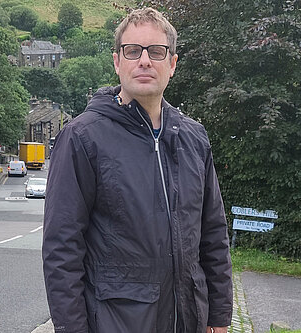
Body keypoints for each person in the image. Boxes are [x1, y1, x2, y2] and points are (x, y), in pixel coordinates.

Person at [42, 7, 232, 333]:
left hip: (188, 319)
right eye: (133, 51)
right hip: (116, 323)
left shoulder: (194, 139)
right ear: (118, 62)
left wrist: (218, 317)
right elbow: (62, 250)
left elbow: (213, 235)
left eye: (156, 51)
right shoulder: (83, 138)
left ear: (172, 64)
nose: (144, 60)